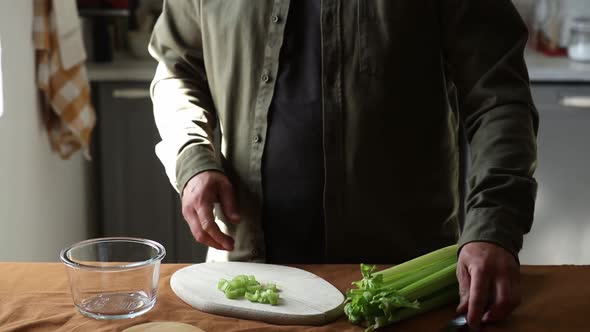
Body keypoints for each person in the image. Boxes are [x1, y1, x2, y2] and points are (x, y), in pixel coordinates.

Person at [149, 1, 538, 330]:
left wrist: (494, 223)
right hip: (246, 279)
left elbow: (498, 99)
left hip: (399, 288)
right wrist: (193, 158)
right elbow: (176, 70)